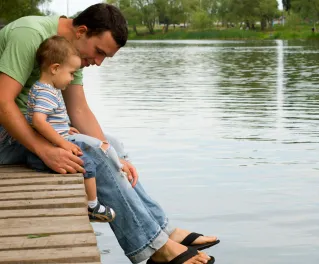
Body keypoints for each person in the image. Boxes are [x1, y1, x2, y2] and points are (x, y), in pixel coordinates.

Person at [0, 3, 219, 263]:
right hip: (6, 136)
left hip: (27, 131)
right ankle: (154, 247)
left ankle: (163, 230)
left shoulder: (69, 52)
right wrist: (45, 150)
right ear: (81, 31)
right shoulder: (29, 34)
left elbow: (78, 110)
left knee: (111, 145)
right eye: (99, 52)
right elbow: (3, 102)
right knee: (93, 151)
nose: (99, 62)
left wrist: (115, 155)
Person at [25, 35, 119, 222]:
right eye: (71, 73)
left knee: (91, 150)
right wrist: (63, 142)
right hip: (45, 152)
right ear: (55, 69)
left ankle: (91, 202)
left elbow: (49, 120)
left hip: (47, 146)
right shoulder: (47, 92)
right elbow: (39, 121)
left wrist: (66, 129)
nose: (72, 78)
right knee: (88, 164)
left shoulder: (42, 88)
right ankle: (93, 206)